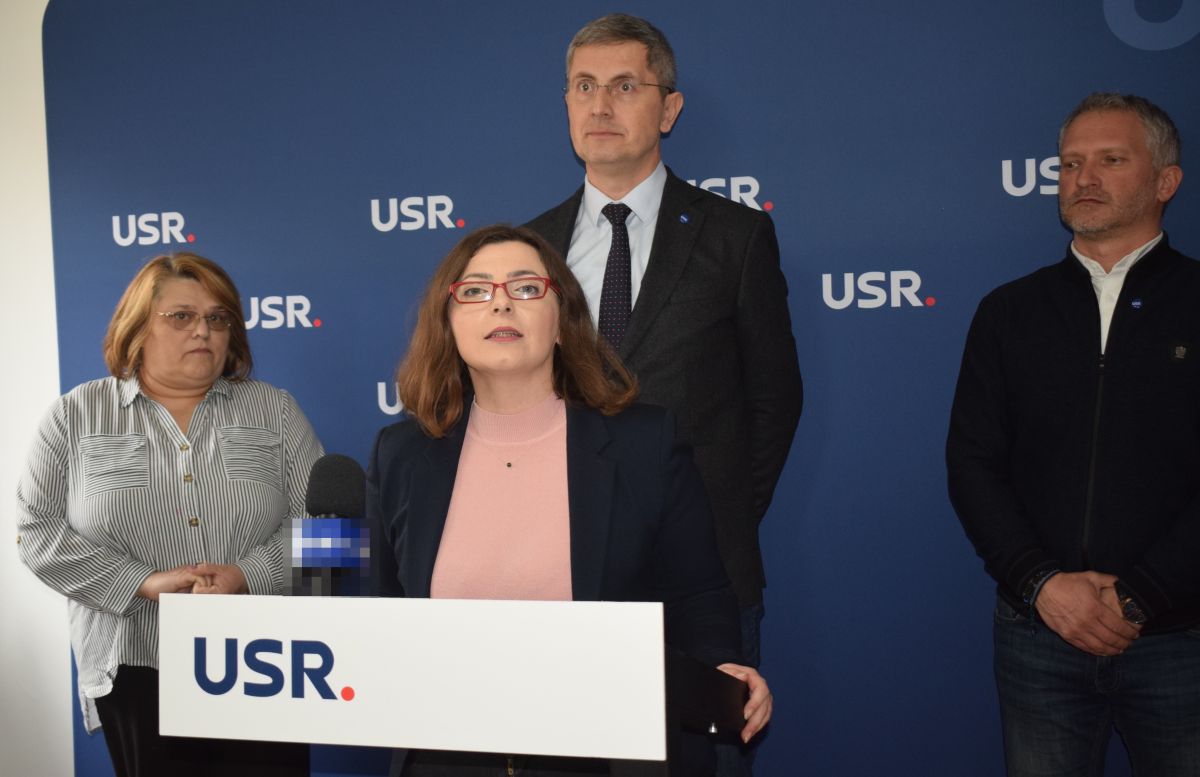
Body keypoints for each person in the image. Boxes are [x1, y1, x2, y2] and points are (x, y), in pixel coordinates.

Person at [368, 224, 772, 777]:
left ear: (562, 322)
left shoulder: (644, 444)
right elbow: (380, 609)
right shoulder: (400, 454)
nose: (501, 303)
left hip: (602, 754)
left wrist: (721, 665)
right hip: (444, 755)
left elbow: (698, 592)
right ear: (448, 323)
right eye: (476, 290)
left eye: (526, 288)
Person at [525, 20, 801, 772]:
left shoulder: (735, 237)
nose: (600, 104)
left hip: (701, 584)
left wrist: (710, 520)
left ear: (669, 108)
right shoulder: (529, 250)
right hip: (560, 578)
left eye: (625, 86)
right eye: (584, 86)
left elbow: (774, 400)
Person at [947, 92, 1199, 776]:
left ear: (1166, 181)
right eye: (1070, 163)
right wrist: (1041, 583)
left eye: (1111, 160)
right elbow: (972, 462)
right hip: (1039, 634)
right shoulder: (1009, 311)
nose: (1083, 178)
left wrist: (1142, 594)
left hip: (1181, 637)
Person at [16, 253, 323, 777]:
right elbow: (37, 534)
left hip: (267, 661)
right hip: (137, 661)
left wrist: (247, 576)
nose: (203, 330)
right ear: (138, 327)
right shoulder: (75, 416)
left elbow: (330, 535)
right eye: (182, 316)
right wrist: (142, 582)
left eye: (217, 318)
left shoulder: (275, 411)